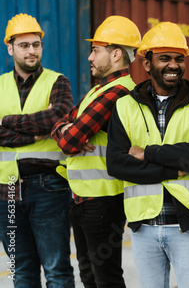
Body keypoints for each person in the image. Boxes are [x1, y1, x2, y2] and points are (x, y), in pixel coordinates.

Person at [106, 21, 189, 288]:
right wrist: (174, 168)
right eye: (164, 58)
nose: (173, 65)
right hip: (144, 227)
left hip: (188, 227)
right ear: (146, 64)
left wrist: (146, 152)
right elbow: (117, 164)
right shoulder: (125, 105)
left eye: (179, 59)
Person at [51, 15, 141, 288]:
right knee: (89, 275)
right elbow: (59, 125)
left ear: (115, 54)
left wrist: (69, 131)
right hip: (84, 198)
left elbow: (68, 141)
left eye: (95, 50)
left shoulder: (118, 92)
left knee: (106, 278)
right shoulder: (99, 91)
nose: (89, 57)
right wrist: (66, 129)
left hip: (103, 201)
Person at [0, 13, 74, 287]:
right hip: (5, 188)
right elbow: (46, 123)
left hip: (49, 186)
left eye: (36, 44)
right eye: (24, 45)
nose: (32, 50)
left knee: (56, 269)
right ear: (10, 48)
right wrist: (37, 130)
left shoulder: (58, 82)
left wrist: (5, 124)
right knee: (21, 270)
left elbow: (58, 117)